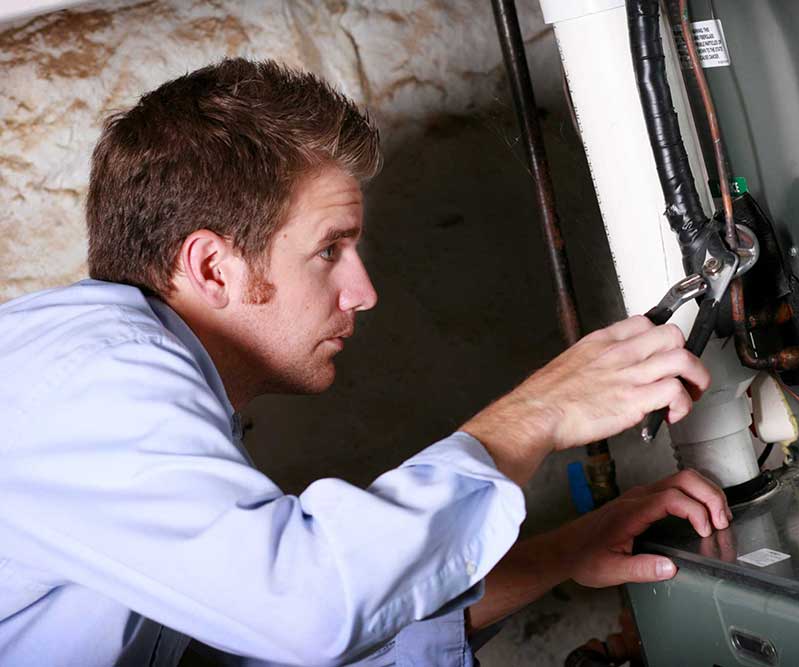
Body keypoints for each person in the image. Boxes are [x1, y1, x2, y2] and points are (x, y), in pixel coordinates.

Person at [0, 58, 729, 667]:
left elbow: (253, 647)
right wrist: (537, 412)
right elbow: (308, 605)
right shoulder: (101, 380)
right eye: (329, 250)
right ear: (213, 268)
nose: (364, 291)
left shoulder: (111, 390)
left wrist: (563, 553)